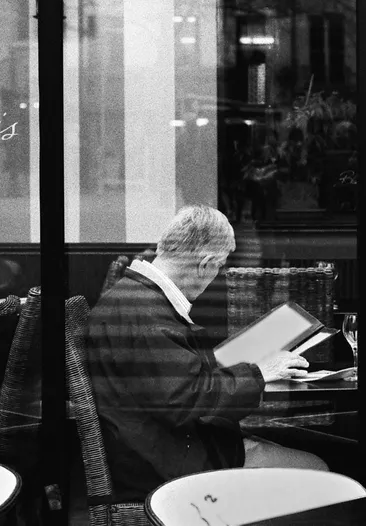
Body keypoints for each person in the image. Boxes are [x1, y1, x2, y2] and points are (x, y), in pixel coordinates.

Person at [85, 205, 326, 503]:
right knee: (318, 469)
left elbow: (173, 385)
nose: (215, 276)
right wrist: (259, 373)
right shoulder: (148, 313)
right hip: (166, 465)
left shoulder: (133, 296)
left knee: (282, 448)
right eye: (219, 267)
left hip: (155, 449)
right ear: (206, 264)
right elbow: (185, 398)